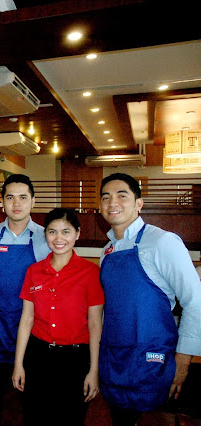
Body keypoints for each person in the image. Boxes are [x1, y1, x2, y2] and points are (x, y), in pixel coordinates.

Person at [98, 173, 201, 425]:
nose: (113, 203)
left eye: (122, 195)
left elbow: (195, 301)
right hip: (114, 358)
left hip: (153, 358)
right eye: (106, 197)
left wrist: (183, 358)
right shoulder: (107, 250)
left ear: (139, 204)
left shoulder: (162, 242)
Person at [12, 208, 104, 425]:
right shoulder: (34, 271)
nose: (58, 238)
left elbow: (95, 324)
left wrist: (94, 370)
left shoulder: (90, 273)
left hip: (75, 360)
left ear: (77, 233)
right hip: (38, 356)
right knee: (34, 417)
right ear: (45, 234)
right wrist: (18, 364)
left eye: (66, 231)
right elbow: (26, 320)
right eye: (52, 232)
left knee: (70, 418)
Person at [0, 173, 51, 424]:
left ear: (33, 201)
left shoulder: (47, 237)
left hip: (34, 333)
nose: (16, 203)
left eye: (23, 197)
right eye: (10, 197)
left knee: (33, 406)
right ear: (2, 202)